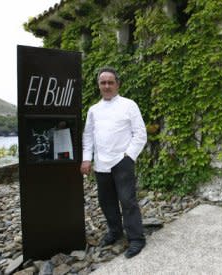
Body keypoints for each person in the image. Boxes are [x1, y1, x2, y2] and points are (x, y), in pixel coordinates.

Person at [80, 67, 147, 258]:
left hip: (122, 161)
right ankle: (115, 231)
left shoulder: (129, 105)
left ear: (117, 84)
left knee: (127, 201)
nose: (107, 86)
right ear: (99, 86)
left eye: (110, 82)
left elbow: (140, 134)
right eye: (103, 82)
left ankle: (136, 239)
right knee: (106, 201)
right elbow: (88, 137)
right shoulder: (94, 110)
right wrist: (86, 159)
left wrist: (129, 156)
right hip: (101, 164)